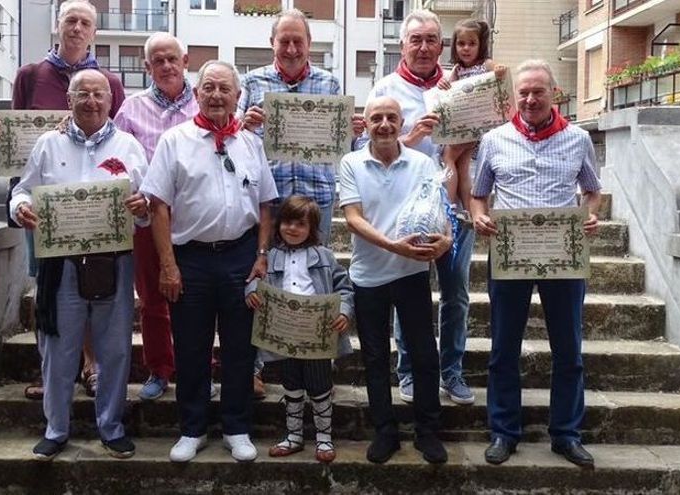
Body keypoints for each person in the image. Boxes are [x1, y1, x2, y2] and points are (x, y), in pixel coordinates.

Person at [0, 0, 126, 400]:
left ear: (94, 32)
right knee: (49, 289)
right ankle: (55, 371)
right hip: (44, 207)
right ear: (58, 27)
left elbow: (118, 136)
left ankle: (92, 363)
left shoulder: (109, 82)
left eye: (85, 23)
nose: (77, 28)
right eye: (70, 20)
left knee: (92, 287)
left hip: (94, 206)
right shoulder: (30, 75)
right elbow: (17, 142)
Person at [140, 61, 278, 464]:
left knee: (239, 349)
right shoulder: (175, 140)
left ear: (238, 97)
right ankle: (192, 428)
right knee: (191, 347)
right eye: (209, 87)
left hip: (241, 257)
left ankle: (237, 427)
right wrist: (168, 265)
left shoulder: (251, 142)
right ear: (196, 94)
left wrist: (262, 255)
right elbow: (158, 206)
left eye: (225, 89)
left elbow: (266, 205)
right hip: (191, 259)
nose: (217, 95)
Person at [9, 69, 149, 461]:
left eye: (98, 94)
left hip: (113, 262)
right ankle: (56, 428)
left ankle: (111, 426)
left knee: (116, 348)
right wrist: (20, 207)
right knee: (58, 349)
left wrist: (143, 208)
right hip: (62, 264)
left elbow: (145, 205)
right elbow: (22, 189)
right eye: (82, 93)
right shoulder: (47, 145)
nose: (90, 100)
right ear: (69, 101)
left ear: (110, 101)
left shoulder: (129, 146)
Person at [470, 59, 601, 468]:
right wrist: (478, 215)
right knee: (503, 348)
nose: (529, 99)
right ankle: (504, 432)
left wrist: (590, 214)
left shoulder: (579, 139)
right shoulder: (493, 139)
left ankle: (566, 434)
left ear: (554, 94)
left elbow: (592, 190)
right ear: (515, 96)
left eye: (537, 91)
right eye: (523, 92)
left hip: (562, 255)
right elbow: (478, 193)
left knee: (569, 349)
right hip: (509, 255)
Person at [239, 8, 364, 398]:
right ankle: (256, 366)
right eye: (284, 41)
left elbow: (343, 143)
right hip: (269, 197)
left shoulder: (329, 83)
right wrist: (246, 124)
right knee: (263, 279)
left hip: (316, 197)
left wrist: (353, 131)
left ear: (310, 45)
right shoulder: (251, 82)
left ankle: (314, 354)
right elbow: (234, 136)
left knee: (316, 278)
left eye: (299, 41)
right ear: (272, 43)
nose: (291, 48)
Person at [365, 9, 475, 406]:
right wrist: (411, 137)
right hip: (403, 213)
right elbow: (368, 152)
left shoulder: (460, 86)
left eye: (432, 39)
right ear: (402, 45)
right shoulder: (385, 88)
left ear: (442, 46)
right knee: (407, 293)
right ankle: (408, 371)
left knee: (455, 294)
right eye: (417, 40)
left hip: (454, 211)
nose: (424, 47)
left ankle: (452, 371)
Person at [340, 96, 452, 465]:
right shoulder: (351, 162)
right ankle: (385, 432)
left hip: (413, 273)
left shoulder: (421, 163)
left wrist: (447, 239)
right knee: (374, 358)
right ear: (366, 123)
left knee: (423, 354)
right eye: (377, 118)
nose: (384, 124)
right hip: (369, 275)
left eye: (391, 117)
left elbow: (437, 209)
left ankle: (427, 432)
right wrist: (393, 246)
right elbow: (353, 218)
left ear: (402, 122)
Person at [113, 32, 202, 402]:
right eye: (157, 61)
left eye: (172, 59)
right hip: (148, 221)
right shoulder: (130, 110)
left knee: (202, 299)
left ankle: (200, 365)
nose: (166, 66)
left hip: (198, 221)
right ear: (147, 66)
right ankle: (160, 368)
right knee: (153, 298)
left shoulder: (208, 101)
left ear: (185, 60)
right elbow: (112, 159)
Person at [245, 195, 354, 464]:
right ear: (278, 224)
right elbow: (254, 281)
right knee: (291, 386)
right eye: (287, 222)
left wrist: (343, 310)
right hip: (284, 337)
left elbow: (345, 288)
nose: (292, 228)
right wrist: (251, 293)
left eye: (301, 224)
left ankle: (324, 438)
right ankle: (293, 436)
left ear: (312, 229)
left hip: (317, 337)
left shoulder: (325, 257)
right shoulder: (269, 258)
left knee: (319, 387)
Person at [436, 19, 506, 219]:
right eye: (461, 43)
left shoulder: (486, 64)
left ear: (480, 45)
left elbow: (501, 72)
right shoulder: (457, 70)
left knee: (447, 157)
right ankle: (469, 210)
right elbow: (447, 89)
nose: (466, 48)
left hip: (474, 124)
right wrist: (443, 84)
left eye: (471, 43)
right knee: (463, 166)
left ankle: (448, 205)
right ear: (455, 46)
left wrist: (500, 71)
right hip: (465, 123)